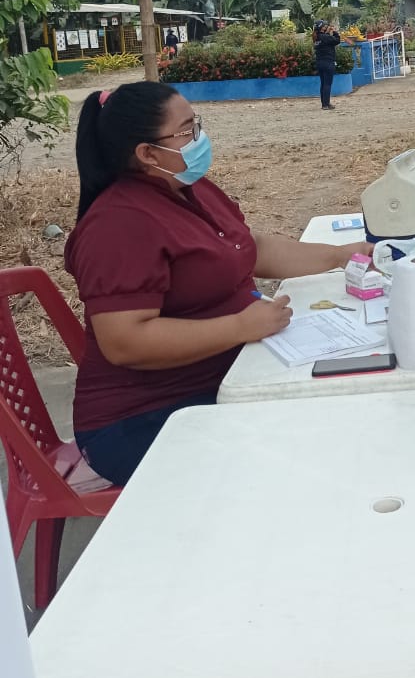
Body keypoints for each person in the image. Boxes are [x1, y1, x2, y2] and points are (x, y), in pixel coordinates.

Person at [65, 81, 372, 485]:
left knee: (342, 405)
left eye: (198, 124)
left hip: (224, 378)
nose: (200, 138)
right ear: (147, 153)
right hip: (145, 417)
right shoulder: (118, 224)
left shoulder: (188, 189)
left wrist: (342, 255)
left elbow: (251, 248)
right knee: (299, 460)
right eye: (187, 131)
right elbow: (125, 341)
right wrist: (239, 327)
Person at [312, 18, 341, 110]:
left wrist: (328, 33)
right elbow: (336, 40)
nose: (326, 27)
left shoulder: (316, 38)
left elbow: (327, 40)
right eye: (325, 26)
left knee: (323, 83)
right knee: (327, 84)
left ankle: (324, 104)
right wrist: (335, 32)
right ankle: (326, 104)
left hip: (319, 63)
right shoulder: (325, 37)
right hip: (328, 62)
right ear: (322, 28)